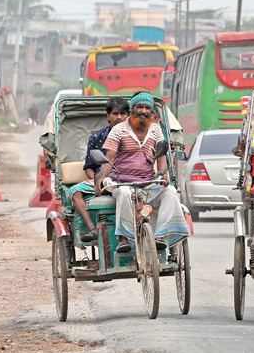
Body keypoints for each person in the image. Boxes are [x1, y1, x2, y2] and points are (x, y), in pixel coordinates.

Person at [97, 92, 189, 253]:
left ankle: (161, 235)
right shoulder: (118, 130)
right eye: (140, 107)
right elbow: (109, 158)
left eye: (147, 108)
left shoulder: (155, 130)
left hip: (148, 182)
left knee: (171, 191)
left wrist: (163, 174)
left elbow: (161, 157)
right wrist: (100, 179)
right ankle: (124, 238)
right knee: (124, 192)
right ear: (132, 109)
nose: (144, 111)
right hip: (122, 183)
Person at [70, 97, 129, 243]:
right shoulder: (97, 137)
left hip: (126, 178)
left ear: (128, 116)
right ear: (108, 116)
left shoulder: (134, 136)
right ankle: (93, 230)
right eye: (115, 114)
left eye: (123, 114)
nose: (119, 117)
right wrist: (97, 179)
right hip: (101, 179)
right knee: (74, 192)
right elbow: (89, 166)